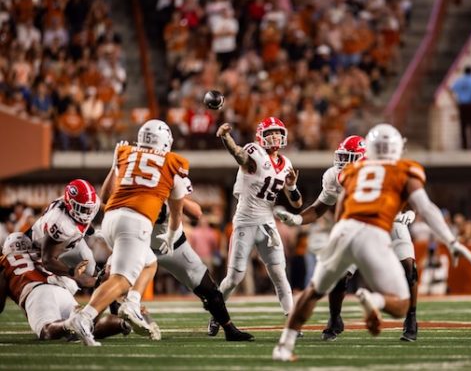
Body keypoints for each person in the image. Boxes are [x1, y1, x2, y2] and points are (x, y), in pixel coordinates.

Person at [272, 124, 471, 362]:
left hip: (350, 227)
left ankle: (284, 346)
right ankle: (375, 300)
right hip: (376, 229)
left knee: (312, 291)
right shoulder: (404, 170)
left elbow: (341, 208)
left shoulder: (349, 174)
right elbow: (427, 207)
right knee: (399, 302)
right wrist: (451, 240)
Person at [274, 135, 420, 342]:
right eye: (341, 156)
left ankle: (411, 318)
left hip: (390, 222)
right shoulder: (335, 176)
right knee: (338, 274)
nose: (342, 163)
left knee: (408, 267)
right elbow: (320, 208)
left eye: (348, 157)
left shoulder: (385, 170)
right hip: (358, 226)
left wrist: (411, 212)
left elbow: (411, 194)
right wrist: (297, 219)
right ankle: (334, 319)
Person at [64, 119, 190, 346]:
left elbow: (104, 197)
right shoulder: (174, 163)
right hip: (136, 221)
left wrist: (114, 166)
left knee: (150, 263)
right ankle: (85, 318)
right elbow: (177, 213)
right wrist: (172, 236)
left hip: (112, 218)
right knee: (121, 279)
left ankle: (132, 303)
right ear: (166, 142)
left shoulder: (126, 153)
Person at [99, 168, 254, 342]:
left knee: (210, 290)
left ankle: (229, 328)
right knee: (108, 278)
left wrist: (172, 193)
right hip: (141, 245)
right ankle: (114, 323)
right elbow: (104, 202)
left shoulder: (171, 178)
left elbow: (196, 213)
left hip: (174, 246)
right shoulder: (131, 184)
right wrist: (115, 168)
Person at [211, 117, 302, 335]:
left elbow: (297, 203)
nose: (275, 137)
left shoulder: (287, 163)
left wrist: (292, 185)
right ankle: (216, 316)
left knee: (279, 273)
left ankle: (292, 322)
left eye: (278, 132)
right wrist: (226, 138)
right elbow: (238, 155)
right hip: (245, 221)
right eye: (270, 133)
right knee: (234, 278)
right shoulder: (255, 153)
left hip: (267, 223)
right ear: (261, 136)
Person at [0, 233, 129, 341]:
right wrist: (97, 282)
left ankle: (69, 324)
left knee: (47, 331)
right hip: (61, 289)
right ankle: (122, 323)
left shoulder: (5, 261)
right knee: (88, 326)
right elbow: (79, 280)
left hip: (36, 292)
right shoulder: (42, 255)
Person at [28, 179, 100, 288]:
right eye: (83, 209)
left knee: (90, 268)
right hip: (40, 250)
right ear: (69, 203)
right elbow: (48, 260)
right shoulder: (60, 223)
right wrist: (73, 274)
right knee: (69, 286)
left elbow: (85, 218)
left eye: (89, 209)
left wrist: (92, 231)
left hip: (70, 241)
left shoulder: (91, 204)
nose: (87, 213)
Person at [451, 65, 471, 149]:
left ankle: (464, 146)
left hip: (462, 106)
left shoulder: (459, 81)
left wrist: (454, 102)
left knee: (463, 127)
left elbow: (450, 90)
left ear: (464, 72)